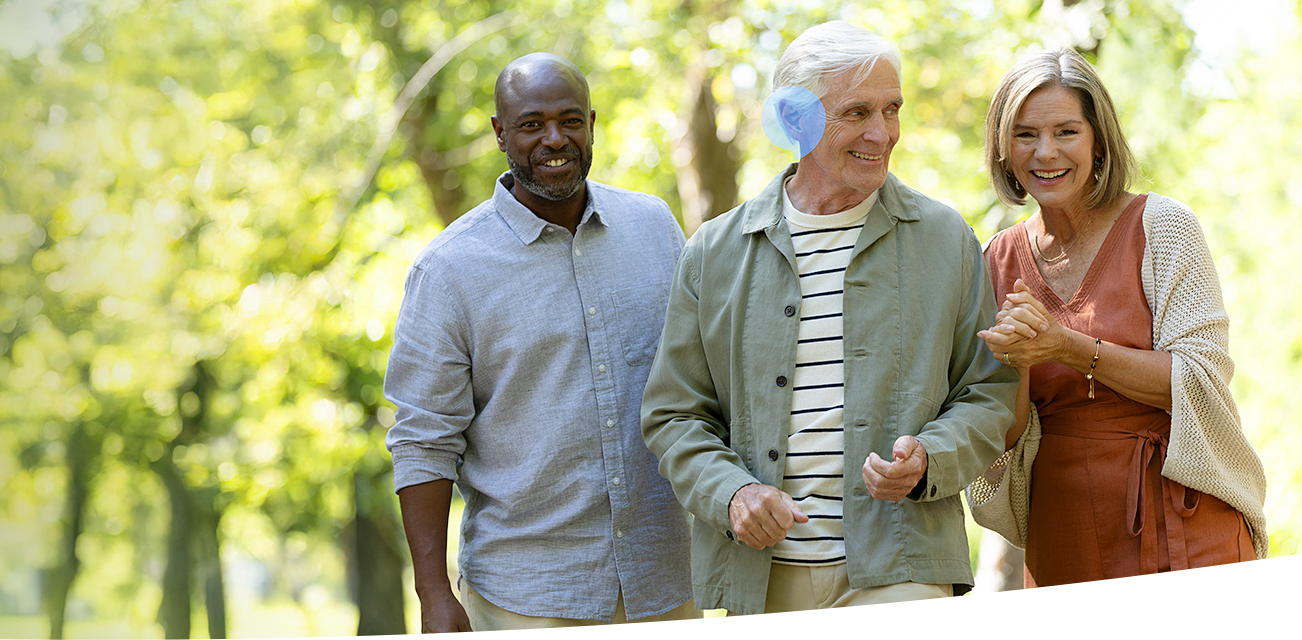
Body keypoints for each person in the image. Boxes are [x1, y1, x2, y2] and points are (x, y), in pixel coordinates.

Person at [640, 21, 1015, 615]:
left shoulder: (946, 239)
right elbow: (674, 414)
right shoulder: (714, 252)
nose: (882, 133)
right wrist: (732, 492)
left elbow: (989, 392)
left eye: (892, 109)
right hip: (761, 577)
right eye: (857, 112)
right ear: (795, 120)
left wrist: (931, 459)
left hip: (902, 562)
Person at [383, 52, 695, 631]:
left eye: (570, 120)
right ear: (501, 133)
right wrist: (432, 593)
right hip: (526, 596)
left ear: (592, 124)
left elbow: (699, 386)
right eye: (532, 125)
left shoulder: (656, 229)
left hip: (668, 584)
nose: (555, 139)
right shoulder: (449, 270)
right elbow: (423, 440)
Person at [970, 47, 1266, 587]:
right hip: (1064, 529)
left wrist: (1065, 346)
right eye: (1026, 134)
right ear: (1002, 148)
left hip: (1186, 514)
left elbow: (1198, 382)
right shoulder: (994, 260)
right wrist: (1015, 358)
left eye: (1066, 131)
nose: (1045, 152)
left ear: (1099, 140)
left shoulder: (1164, 227)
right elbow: (1002, 432)